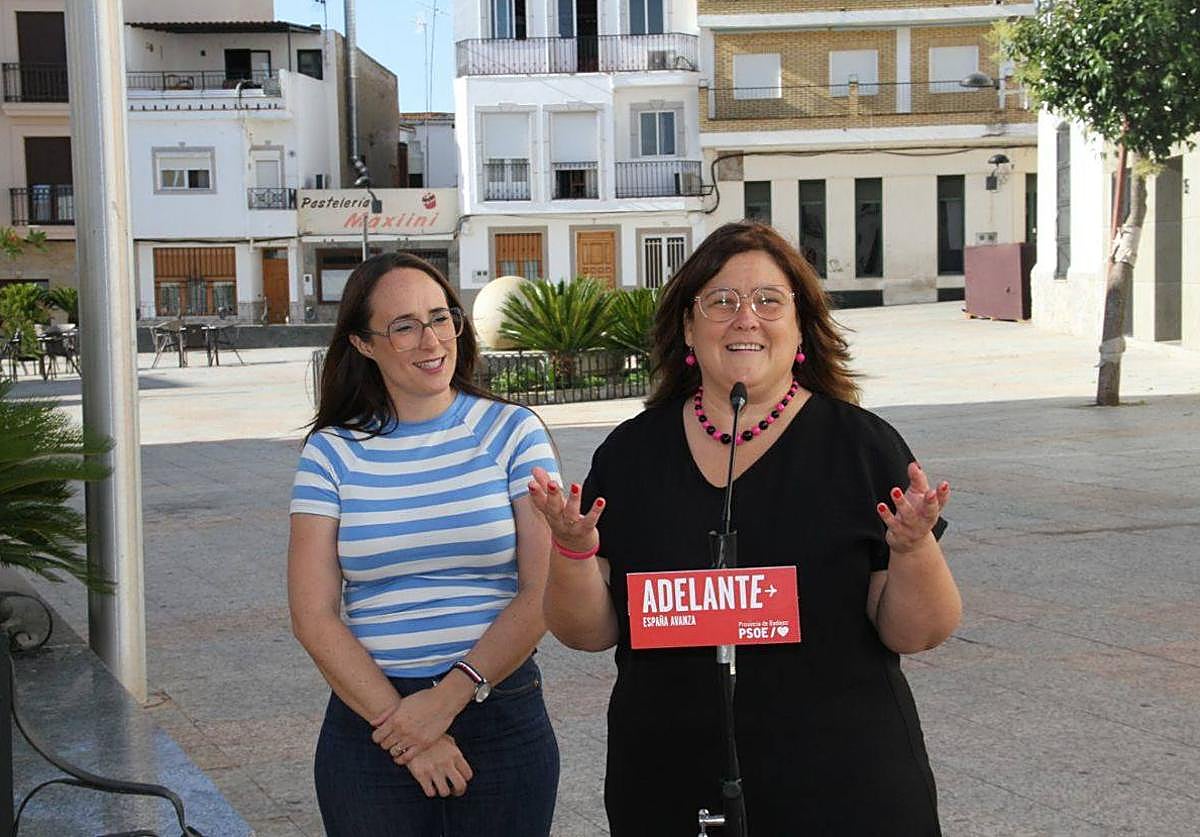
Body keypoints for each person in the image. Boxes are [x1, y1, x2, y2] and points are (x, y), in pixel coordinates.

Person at [528, 222, 962, 835]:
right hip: (669, 782)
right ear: (686, 325)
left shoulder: (862, 448)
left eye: (768, 301)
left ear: (800, 324)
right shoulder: (630, 456)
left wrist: (913, 548)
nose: (745, 319)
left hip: (843, 786)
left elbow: (917, 633)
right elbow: (588, 632)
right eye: (722, 302)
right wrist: (572, 553)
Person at [288, 252, 560, 836]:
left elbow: (542, 590)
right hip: (372, 723)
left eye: (441, 318)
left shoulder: (514, 432)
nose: (430, 339)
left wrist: (447, 699)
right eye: (403, 325)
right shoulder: (330, 453)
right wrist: (404, 727)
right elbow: (312, 615)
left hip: (499, 709)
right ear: (363, 344)